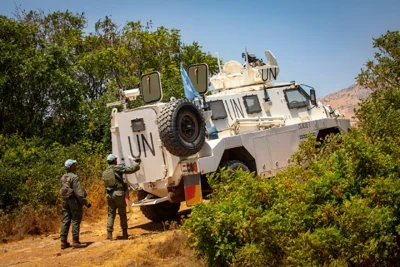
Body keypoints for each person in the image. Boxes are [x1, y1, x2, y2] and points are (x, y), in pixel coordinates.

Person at [102, 154, 141, 240]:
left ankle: (109, 234)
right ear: (114, 161)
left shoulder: (105, 171)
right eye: (116, 159)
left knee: (111, 214)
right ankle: (124, 233)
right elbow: (130, 170)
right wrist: (137, 164)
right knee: (122, 214)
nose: (117, 160)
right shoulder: (116, 168)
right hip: (118, 194)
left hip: (109, 195)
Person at [59, 159, 92, 249]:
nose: (76, 165)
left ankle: (63, 242)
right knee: (75, 220)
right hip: (74, 201)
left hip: (65, 201)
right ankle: (75, 241)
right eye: (74, 164)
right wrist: (86, 202)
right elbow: (79, 193)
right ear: (71, 167)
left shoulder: (63, 177)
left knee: (65, 220)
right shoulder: (74, 177)